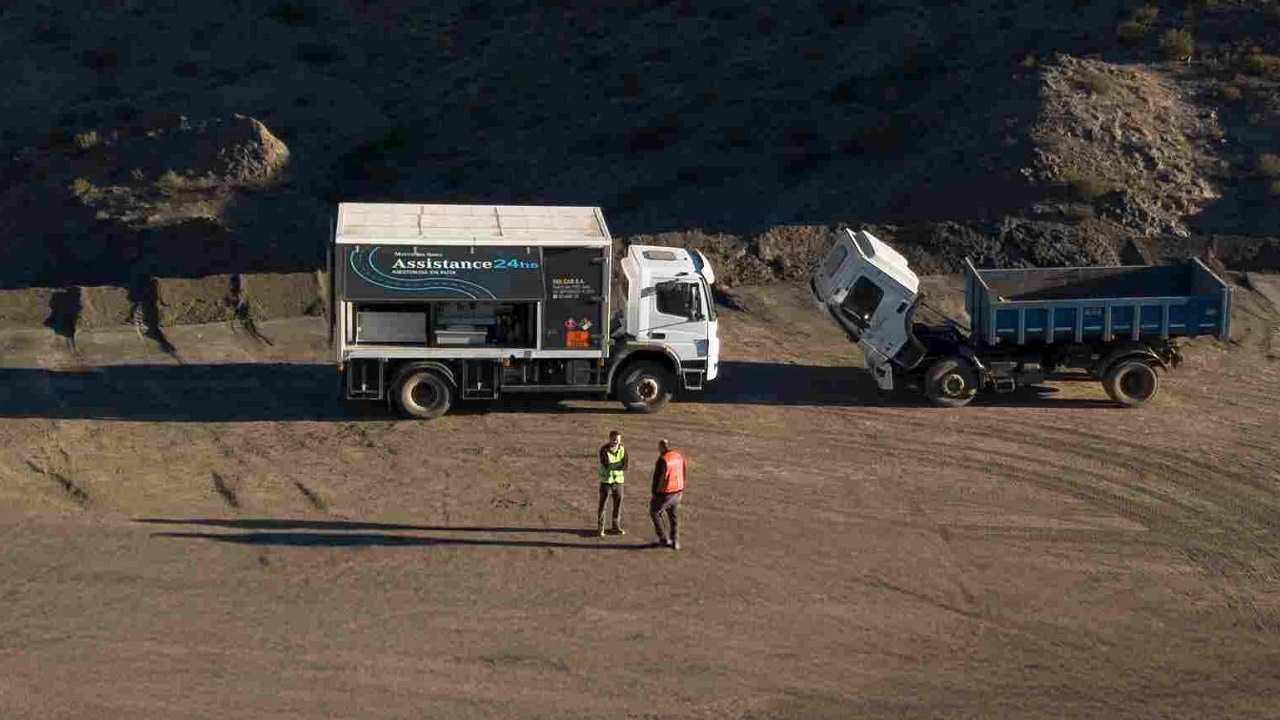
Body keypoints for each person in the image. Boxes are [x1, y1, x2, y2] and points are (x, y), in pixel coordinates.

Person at [650, 438, 686, 550]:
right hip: (678, 491)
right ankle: (675, 541)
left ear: (662, 447)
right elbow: (684, 471)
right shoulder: (678, 456)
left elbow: (661, 478)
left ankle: (663, 538)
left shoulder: (663, 460)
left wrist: (656, 493)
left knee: (655, 512)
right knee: (674, 516)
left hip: (665, 493)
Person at [597, 430, 627, 536]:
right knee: (603, 505)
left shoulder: (622, 449)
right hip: (606, 482)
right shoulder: (603, 450)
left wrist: (615, 465)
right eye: (614, 440)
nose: (616, 442)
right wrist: (618, 464)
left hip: (618, 482)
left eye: (618, 440)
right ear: (610, 439)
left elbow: (625, 465)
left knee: (618, 504)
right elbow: (607, 465)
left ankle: (615, 526)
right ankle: (601, 527)